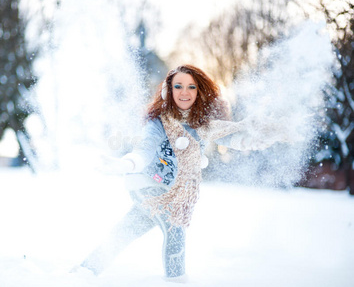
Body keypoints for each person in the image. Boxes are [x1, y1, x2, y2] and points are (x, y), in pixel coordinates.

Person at [75, 65, 286, 282]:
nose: (184, 92)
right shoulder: (158, 122)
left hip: (171, 191)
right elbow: (145, 150)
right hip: (146, 182)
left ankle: (84, 271)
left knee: (126, 231)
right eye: (178, 86)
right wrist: (126, 165)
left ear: (199, 91)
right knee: (174, 228)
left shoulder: (203, 125)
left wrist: (257, 139)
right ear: (169, 91)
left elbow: (233, 139)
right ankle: (176, 281)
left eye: (191, 87)